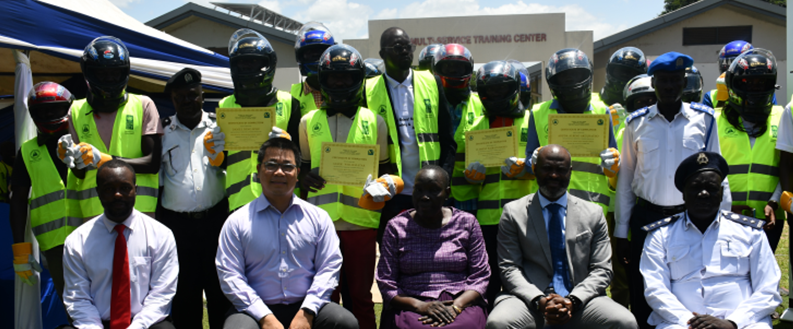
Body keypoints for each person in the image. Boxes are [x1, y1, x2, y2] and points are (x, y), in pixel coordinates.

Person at [615, 52, 731, 329]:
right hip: (647, 218)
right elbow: (626, 179)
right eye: (664, 81)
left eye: (675, 81)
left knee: (688, 285)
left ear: (684, 83)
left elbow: (718, 176)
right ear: (653, 82)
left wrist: (723, 221)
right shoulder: (636, 123)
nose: (669, 87)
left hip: (688, 218)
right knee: (644, 287)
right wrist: (622, 231)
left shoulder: (703, 120)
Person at [487, 145, 637, 329]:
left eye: (561, 170)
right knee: (498, 323)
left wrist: (573, 300)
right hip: (528, 301)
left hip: (582, 300)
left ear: (570, 172)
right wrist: (540, 301)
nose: (554, 175)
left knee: (625, 322)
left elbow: (602, 269)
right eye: (547, 168)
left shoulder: (593, 213)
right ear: (534, 168)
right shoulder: (513, 212)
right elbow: (509, 268)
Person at [216, 136, 358, 329]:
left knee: (344, 322)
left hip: (307, 306)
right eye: (271, 165)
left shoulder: (318, 218)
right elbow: (230, 275)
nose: (280, 172)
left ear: (297, 173)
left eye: (288, 166)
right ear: (258, 170)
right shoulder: (237, 222)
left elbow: (329, 267)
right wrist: (265, 316)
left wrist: (307, 312)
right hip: (255, 309)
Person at [299, 44, 393, 329]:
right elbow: (302, 169)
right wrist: (304, 177)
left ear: (358, 80)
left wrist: (385, 184)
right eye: (333, 78)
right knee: (324, 297)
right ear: (323, 80)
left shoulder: (375, 122)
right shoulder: (307, 122)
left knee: (362, 297)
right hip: (320, 226)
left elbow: (388, 171)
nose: (340, 83)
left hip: (361, 224)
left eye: (347, 78)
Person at [641, 151, 781, 329]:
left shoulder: (749, 232)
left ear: (722, 193)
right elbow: (656, 290)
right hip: (681, 323)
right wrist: (691, 322)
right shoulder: (660, 235)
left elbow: (768, 288)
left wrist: (732, 323)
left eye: (712, 188)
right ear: (683, 194)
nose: (704, 193)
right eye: (696, 187)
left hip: (743, 323)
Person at [364, 27, 456, 243]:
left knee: (435, 250)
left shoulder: (431, 82)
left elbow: (447, 139)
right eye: (398, 47)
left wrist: (443, 181)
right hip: (392, 192)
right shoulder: (368, 90)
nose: (405, 51)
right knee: (397, 253)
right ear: (382, 54)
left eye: (408, 47)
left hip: (430, 192)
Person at [62, 160, 178, 329]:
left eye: (125, 188)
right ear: (98, 193)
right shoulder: (77, 241)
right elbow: (78, 298)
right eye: (109, 189)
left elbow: (161, 294)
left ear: (135, 190)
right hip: (97, 324)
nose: (117, 195)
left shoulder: (160, 235)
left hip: (143, 324)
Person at [157, 68, 231, 329]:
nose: (188, 102)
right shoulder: (162, 131)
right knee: (184, 296)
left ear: (202, 95)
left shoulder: (220, 127)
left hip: (216, 222)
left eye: (193, 95)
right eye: (180, 98)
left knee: (220, 290)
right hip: (178, 227)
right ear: (173, 100)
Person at [458, 61, 533, 309]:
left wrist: (528, 169)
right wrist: (472, 177)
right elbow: (467, 177)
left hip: (526, 218)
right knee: (487, 283)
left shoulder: (532, 122)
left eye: (503, 89)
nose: (497, 96)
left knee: (523, 282)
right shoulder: (476, 127)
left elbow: (548, 166)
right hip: (487, 219)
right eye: (491, 91)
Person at [60, 36, 162, 220]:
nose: (109, 79)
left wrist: (105, 160)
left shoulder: (143, 105)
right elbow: (79, 173)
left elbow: (153, 163)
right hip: (93, 215)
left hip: (139, 213)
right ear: (88, 73)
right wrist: (69, 158)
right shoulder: (75, 110)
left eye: (115, 73)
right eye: (102, 74)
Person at [377, 166, 489, 329]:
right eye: (419, 190)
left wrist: (456, 307)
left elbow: (480, 276)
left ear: (447, 193)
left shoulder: (467, 223)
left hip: (460, 301)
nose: (424, 197)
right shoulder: (396, 227)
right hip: (411, 302)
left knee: (465, 325)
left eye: (433, 190)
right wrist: (420, 306)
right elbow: (386, 281)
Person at [207, 28, 302, 212]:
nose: (249, 69)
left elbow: (304, 160)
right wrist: (214, 153)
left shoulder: (290, 103)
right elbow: (224, 160)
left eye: (254, 63)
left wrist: (289, 147)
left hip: (282, 199)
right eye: (243, 65)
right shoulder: (225, 105)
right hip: (239, 201)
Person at [524, 48, 619, 219]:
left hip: (592, 203)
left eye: (576, 76)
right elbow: (529, 160)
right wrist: (533, 160)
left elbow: (613, 159)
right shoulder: (538, 113)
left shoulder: (601, 111)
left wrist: (614, 161)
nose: (571, 82)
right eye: (564, 78)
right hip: (549, 202)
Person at [10, 82, 79, 301]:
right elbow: (18, 200)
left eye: (56, 108)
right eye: (41, 110)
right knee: (74, 307)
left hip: (94, 232)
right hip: (55, 244)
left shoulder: (86, 141)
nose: (49, 113)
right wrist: (21, 249)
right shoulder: (28, 151)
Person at [713, 49, 785, 252]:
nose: (756, 89)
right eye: (749, 83)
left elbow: (787, 167)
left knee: (763, 276)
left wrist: (775, 202)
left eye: (762, 83)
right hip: (723, 215)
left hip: (769, 216)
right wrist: (725, 205)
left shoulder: (782, 117)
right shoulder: (714, 119)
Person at [432, 44, 480, 213]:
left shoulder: (481, 105)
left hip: (470, 194)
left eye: (460, 68)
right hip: (435, 191)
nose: (454, 73)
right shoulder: (428, 104)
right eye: (449, 68)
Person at [701, 40, 780, 109]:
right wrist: (722, 97)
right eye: (726, 64)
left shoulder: (762, 92)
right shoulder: (711, 96)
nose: (731, 70)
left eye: (738, 64)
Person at [291, 22, 336, 117]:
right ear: (300, 57)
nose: (316, 55)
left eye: (320, 51)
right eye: (310, 52)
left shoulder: (345, 91)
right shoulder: (290, 97)